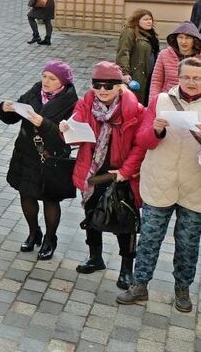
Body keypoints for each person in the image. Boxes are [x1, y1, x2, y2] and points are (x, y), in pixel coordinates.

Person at [117, 56, 201, 312]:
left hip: (194, 187)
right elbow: (143, 140)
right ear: (178, 77)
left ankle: (182, 289)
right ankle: (140, 284)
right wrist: (156, 130)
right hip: (159, 181)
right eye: (186, 77)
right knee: (150, 239)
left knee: (188, 243)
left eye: (197, 78)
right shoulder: (161, 100)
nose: (191, 82)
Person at [61, 61, 147, 290]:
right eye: (97, 84)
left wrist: (125, 172)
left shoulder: (135, 110)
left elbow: (140, 146)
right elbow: (78, 135)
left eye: (109, 85)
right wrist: (67, 131)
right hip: (93, 171)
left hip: (120, 175)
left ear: (120, 86)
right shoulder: (86, 104)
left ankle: (127, 269)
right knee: (92, 216)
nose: (102, 90)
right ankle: (95, 257)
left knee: (125, 223)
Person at [0, 60, 79, 261]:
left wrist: (43, 124)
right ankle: (34, 233)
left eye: (52, 78)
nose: (46, 81)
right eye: (44, 76)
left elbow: (69, 136)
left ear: (63, 82)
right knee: (26, 195)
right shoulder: (34, 92)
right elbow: (12, 118)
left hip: (51, 157)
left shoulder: (72, 102)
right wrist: (4, 109)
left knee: (50, 199)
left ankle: (50, 239)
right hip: (26, 154)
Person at [150, 22, 201, 104]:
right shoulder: (164, 54)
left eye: (188, 38)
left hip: (195, 104)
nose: (183, 41)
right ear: (175, 39)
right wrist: (153, 104)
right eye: (180, 37)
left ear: (194, 40)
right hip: (169, 102)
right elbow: (156, 82)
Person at [116, 9, 158, 106]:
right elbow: (123, 52)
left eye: (150, 19)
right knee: (134, 101)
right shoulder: (130, 32)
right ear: (137, 20)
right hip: (136, 74)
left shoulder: (150, 33)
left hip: (149, 74)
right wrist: (125, 73)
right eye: (145, 19)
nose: (149, 22)